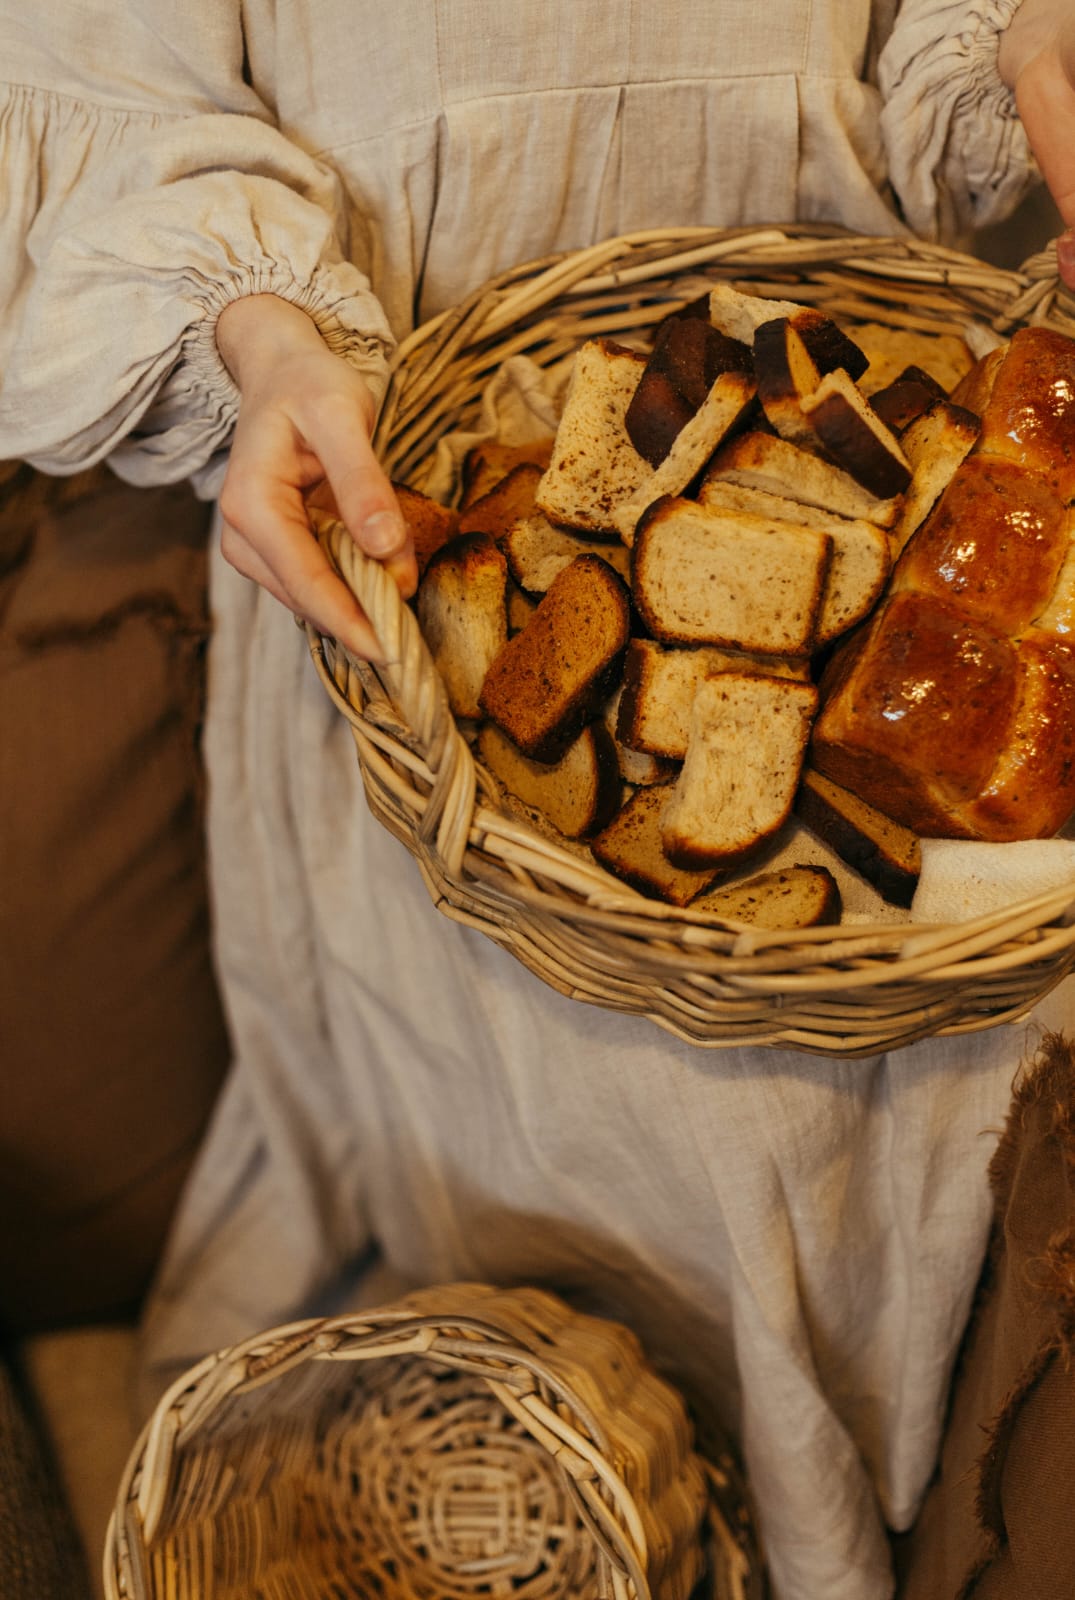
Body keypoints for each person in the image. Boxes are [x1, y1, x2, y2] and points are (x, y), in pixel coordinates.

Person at [1, 4, 1074, 1596]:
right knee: (591, 1094)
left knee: (839, 1112)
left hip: (843, 324)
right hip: (393, 481)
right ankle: (544, 1433)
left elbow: (938, 57)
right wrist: (262, 335)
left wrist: (1025, 51)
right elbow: (110, 78)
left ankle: (782, 1517)